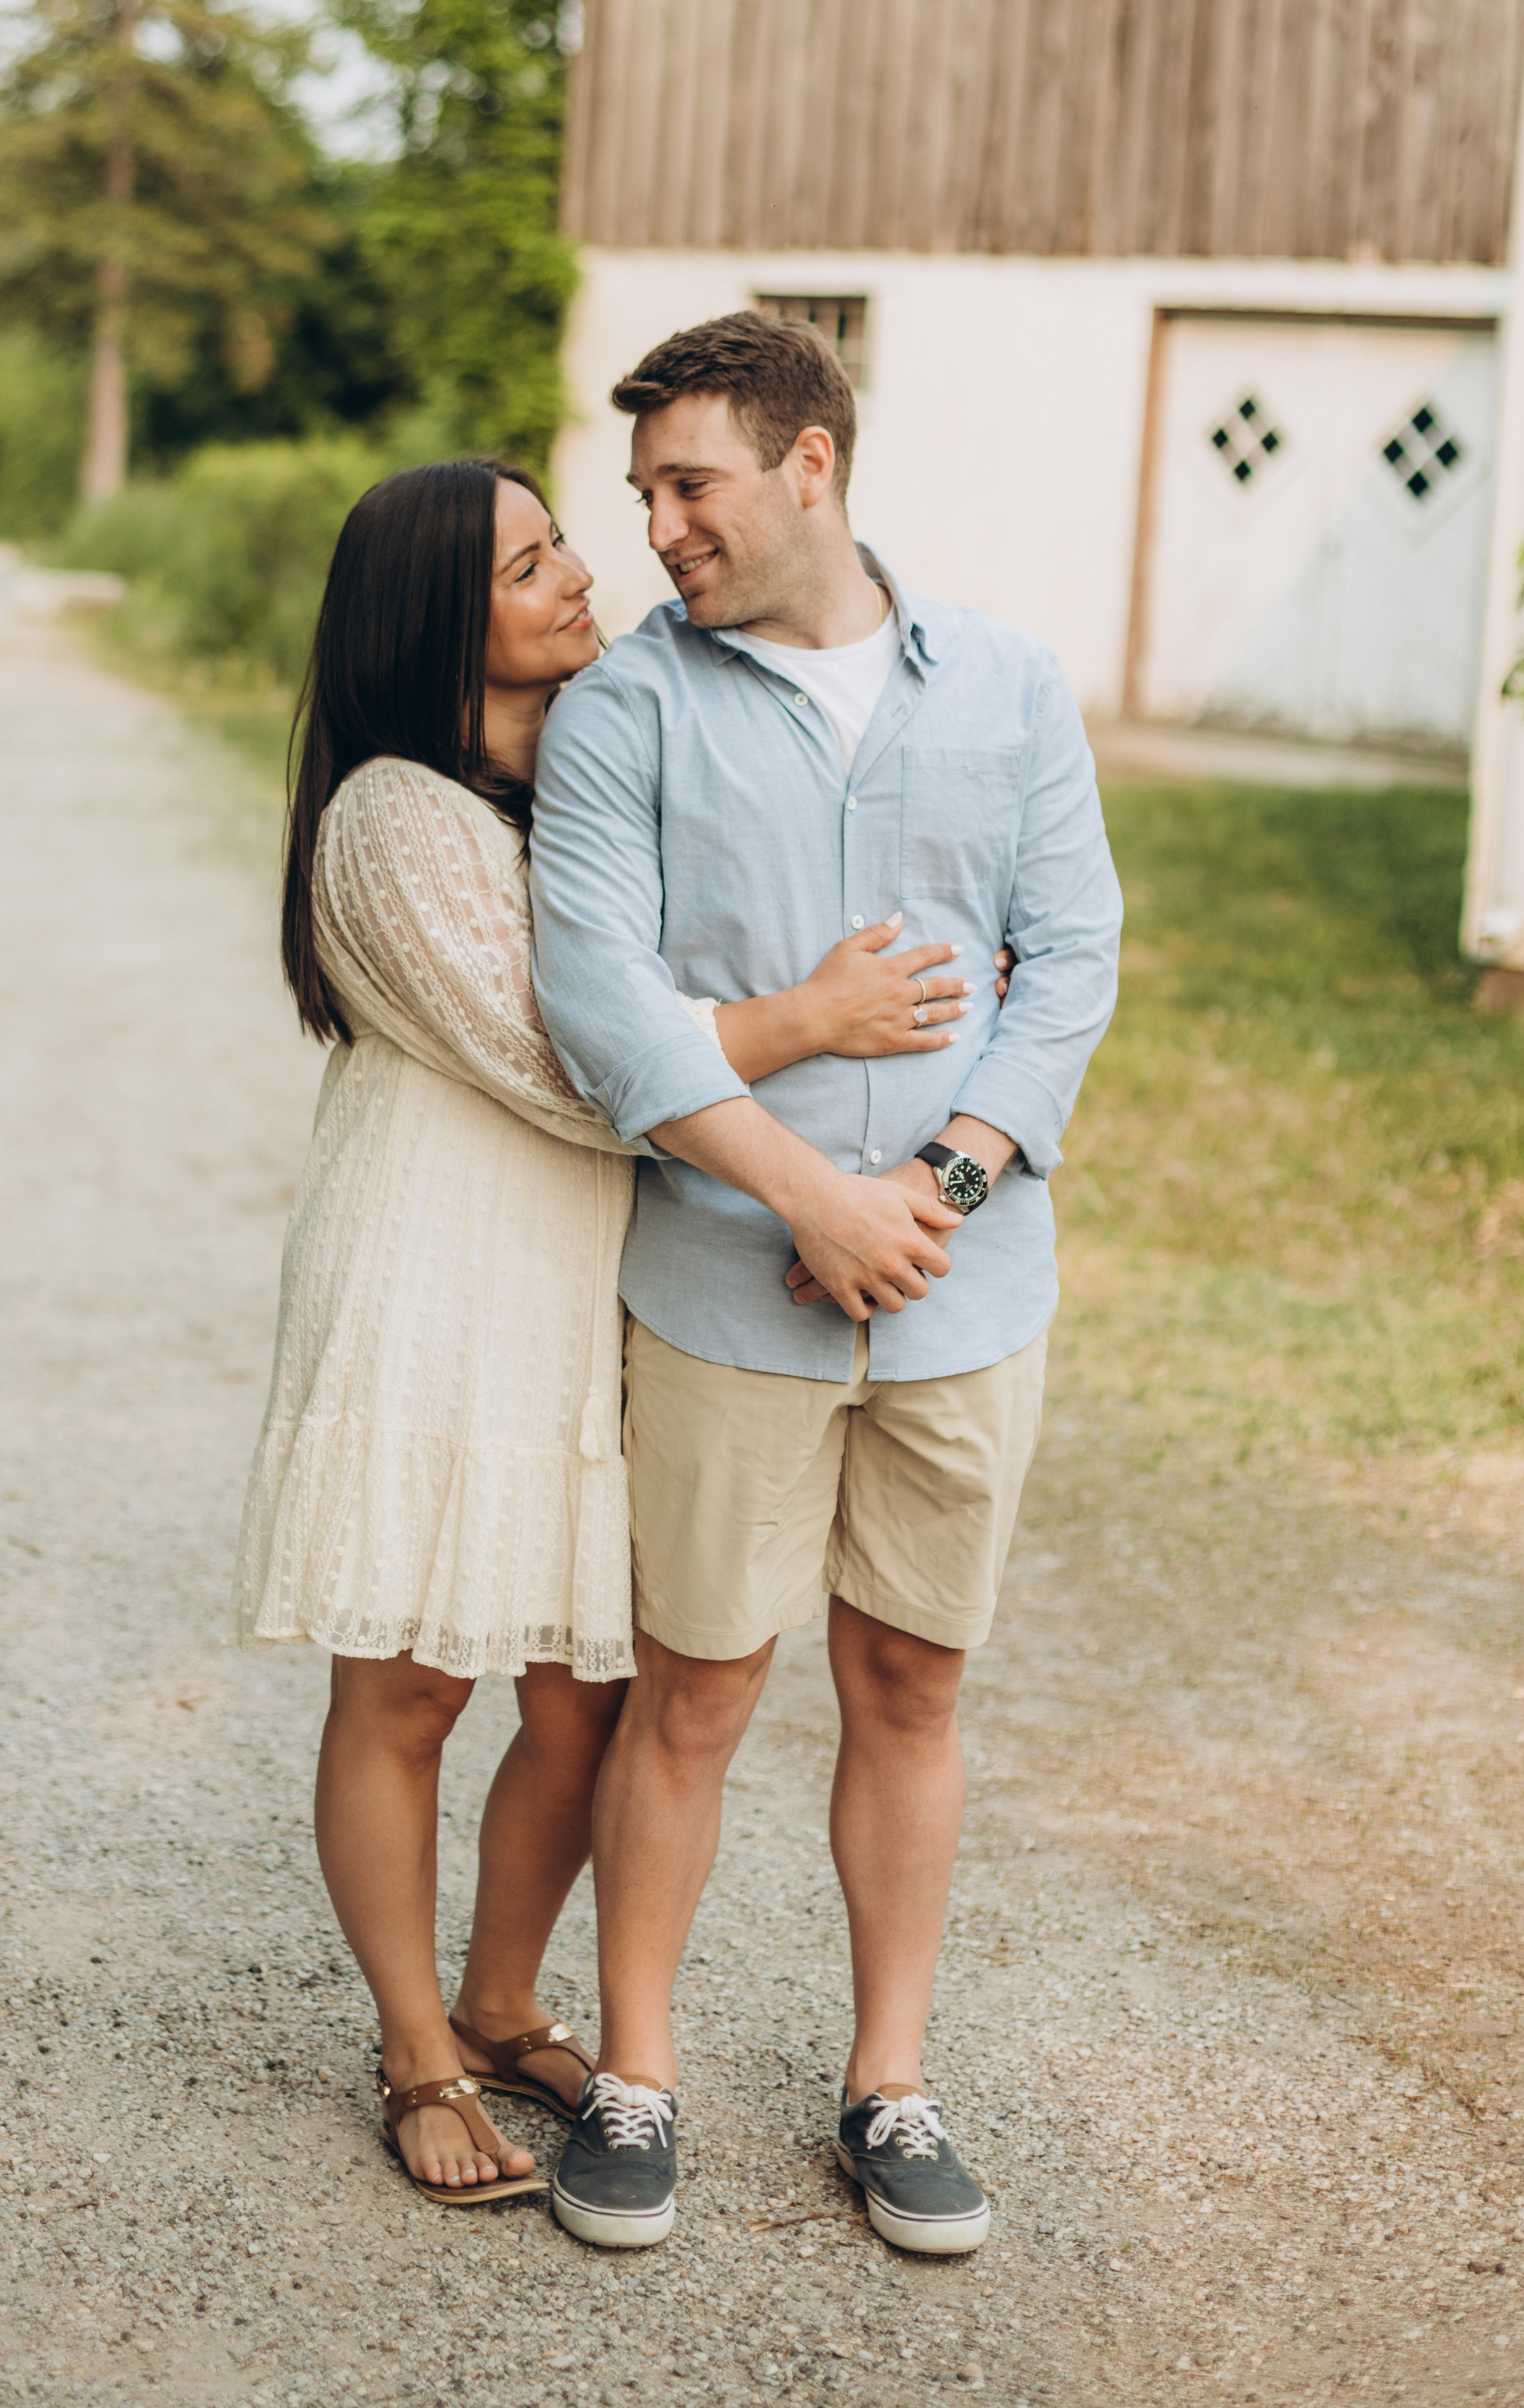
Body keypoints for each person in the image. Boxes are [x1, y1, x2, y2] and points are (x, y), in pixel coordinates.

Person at [235, 457, 996, 2206]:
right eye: (527, 566)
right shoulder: (393, 819)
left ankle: (503, 2000)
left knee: (585, 1698)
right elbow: (571, 1069)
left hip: (591, 1278)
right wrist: (810, 1019)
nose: (583, 571)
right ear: (438, 622)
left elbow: (694, 962)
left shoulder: (582, 774)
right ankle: (417, 2053)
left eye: (559, 542)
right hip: (436, 1269)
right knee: (409, 1686)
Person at [529, 312, 1123, 2255]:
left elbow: (1071, 959)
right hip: (723, 1288)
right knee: (693, 1688)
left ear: (809, 466)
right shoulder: (627, 709)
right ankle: (635, 2073)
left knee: (909, 1681)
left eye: (687, 484)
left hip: (966, 1286)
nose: (656, 529)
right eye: (641, 495)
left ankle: (889, 2083)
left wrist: (934, 1186)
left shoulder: (1008, 685)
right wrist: (807, 1198)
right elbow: (604, 1005)